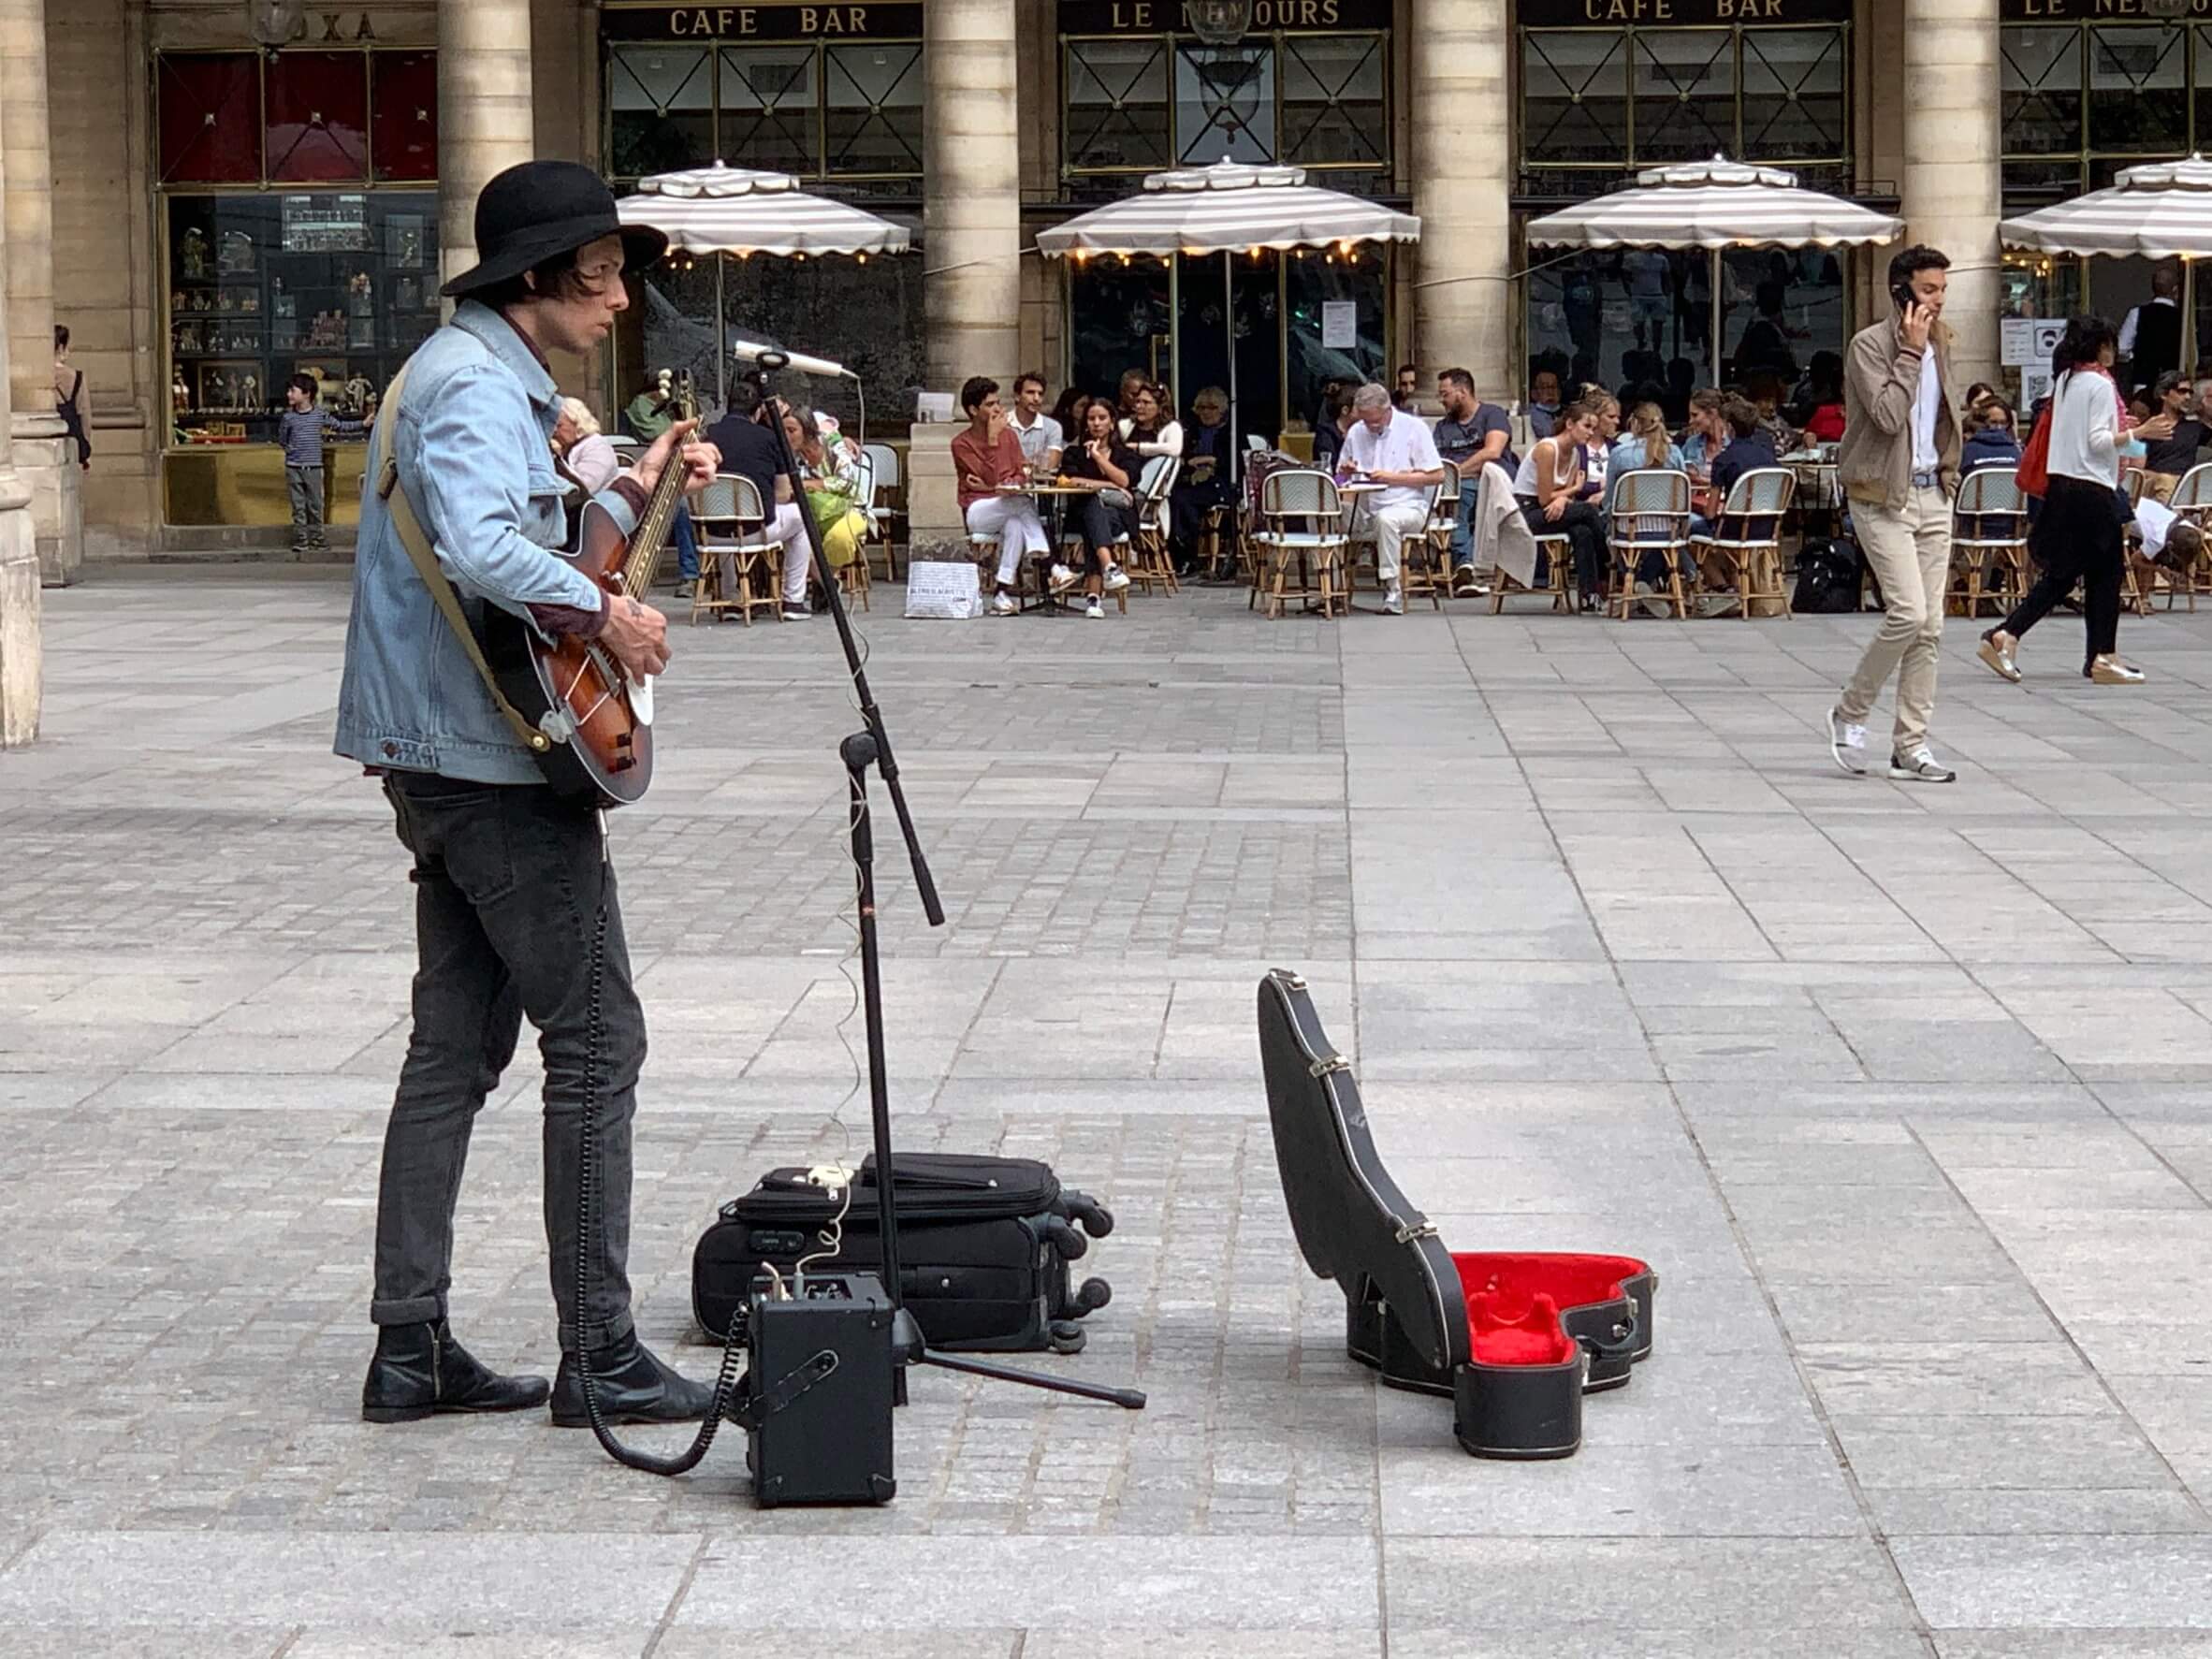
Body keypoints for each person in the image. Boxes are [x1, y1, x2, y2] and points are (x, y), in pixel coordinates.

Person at [334, 159, 720, 1429]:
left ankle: (410, 1347)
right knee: (601, 1040)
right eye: (602, 278)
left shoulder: (502, 383)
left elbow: (544, 524)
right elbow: (481, 546)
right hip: (494, 762)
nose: (618, 302)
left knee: (453, 1051)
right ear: (538, 280)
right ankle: (600, 1350)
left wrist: (642, 478)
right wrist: (612, 612)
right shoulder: (464, 385)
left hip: (454, 753)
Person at [1829, 243, 1961, 785]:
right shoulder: (1870, 346)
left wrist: (1951, 469)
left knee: (1930, 628)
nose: (1938, 301)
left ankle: (1911, 744)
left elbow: (1944, 415)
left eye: (1942, 290)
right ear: (1902, 291)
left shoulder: (1944, 344)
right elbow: (1886, 416)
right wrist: (1909, 352)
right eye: (1929, 289)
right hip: (1883, 494)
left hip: (1934, 492)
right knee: (1907, 612)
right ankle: (1850, 710)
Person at [1978, 315, 2144, 688]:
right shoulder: (2099, 385)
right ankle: (2010, 634)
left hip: (2063, 486)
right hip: (2091, 487)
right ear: (2100, 346)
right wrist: (2139, 433)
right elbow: (2098, 440)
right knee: (2090, 573)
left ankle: (2100, 655)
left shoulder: (2067, 381)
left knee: (2084, 572)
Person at [1335, 381, 1447, 615]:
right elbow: (1340, 479)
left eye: (1374, 420)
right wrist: (1345, 471)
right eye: (1364, 420)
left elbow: (1437, 476)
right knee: (1325, 515)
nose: (1369, 426)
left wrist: (1392, 478)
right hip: (1365, 508)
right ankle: (1332, 586)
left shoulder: (1414, 428)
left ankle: (1392, 588)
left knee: (1387, 520)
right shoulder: (1357, 431)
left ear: (1388, 411)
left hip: (1408, 507)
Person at [704, 380, 809, 618]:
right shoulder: (769, 438)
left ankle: (732, 599)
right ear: (759, 410)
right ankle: (793, 600)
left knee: (724, 516)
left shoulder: (706, 436)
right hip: (757, 529)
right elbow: (783, 495)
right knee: (802, 518)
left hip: (711, 533)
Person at [954, 374, 1050, 617]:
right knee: (1022, 501)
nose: (997, 409)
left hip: (1007, 504)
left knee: (1016, 524)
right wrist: (993, 440)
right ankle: (1049, 563)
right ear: (973, 410)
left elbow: (1020, 473)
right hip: (978, 509)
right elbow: (989, 478)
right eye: (989, 404)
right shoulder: (961, 443)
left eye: (997, 402)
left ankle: (1001, 592)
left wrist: (1009, 483)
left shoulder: (1010, 435)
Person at [1514, 400, 1607, 606]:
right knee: (1589, 510)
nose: (1591, 433)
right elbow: (1545, 498)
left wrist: (1565, 498)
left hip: (1554, 508)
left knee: (1583, 530)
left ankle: (1589, 594)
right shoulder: (1548, 449)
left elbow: (1561, 496)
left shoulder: (1574, 453)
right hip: (1529, 511)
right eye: (1587, 426)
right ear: (1570, 424)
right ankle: (1608, 566)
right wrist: (1573, 490)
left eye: (1594, 428)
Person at [1433, 367, 1514, 592]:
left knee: (1455, 499)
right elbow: (1435, 460)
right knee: (1449, 498)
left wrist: (1457, 472)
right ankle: (1468, 569)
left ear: (1462, 392)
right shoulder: (1442, 427)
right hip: (1456, 483)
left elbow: (1492, 451)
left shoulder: (1493, 414)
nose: (1442, 400)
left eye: (1445, 393)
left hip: (1491, 479)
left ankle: (1467, 565)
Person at [1059, 397, 1139, 618]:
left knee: (1094, 517)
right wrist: (1107, 485)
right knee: (1091, 505)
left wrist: (1097, 457)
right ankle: (1109, 568)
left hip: (1117, 517)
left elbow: (1125, 480)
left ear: (1112, 422)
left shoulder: (1126, 454)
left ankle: (1094, 598)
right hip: (1082, 514)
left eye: (1102, 418)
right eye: (1091, 419)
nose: (1096, 423)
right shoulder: (1073, 453)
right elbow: (1068, 480)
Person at [1608, 401, 1695, 604]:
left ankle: (1638, 585)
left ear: (1635, 425)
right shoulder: (1675, 453)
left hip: (1629, 526)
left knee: (1608, 534)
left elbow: (1611, 500)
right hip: (1667, 527)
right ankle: (1651, 584)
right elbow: (1683, 498)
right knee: (1669, 540)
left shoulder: (1620, 454)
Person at [276, 373, 364, 554]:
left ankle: (317, 538)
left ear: (307, 393)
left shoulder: (319, 415)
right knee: (298, 506)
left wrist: (363, 423)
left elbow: (340, 426)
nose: (289, 394)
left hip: (314, 468)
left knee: (315, 504)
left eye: (293, 391)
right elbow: (282, 439)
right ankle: (301, 540)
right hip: (294, 467)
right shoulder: (288, 418)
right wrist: (290, 450)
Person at [783, 400, 871, 580]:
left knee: (840, 538)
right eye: (784, 431)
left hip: (850, 509)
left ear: (807, 431)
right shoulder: (789, 454)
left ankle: (825, 581)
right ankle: (826, 584)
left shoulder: (832, 443)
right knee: (795, 539)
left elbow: (846, 482)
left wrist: (809, 485)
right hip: (812, 513)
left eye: (792, 431)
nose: (786, 436)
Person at [1171, 386, 1236, 575]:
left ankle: (1190, 550)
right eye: (1202, 408)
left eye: (1212, 408)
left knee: (1183, 499)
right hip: (1192, 480)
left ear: (1222, 409)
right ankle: (1183, 549)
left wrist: (1210, 460)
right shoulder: (1190, 431)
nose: (1206, 413)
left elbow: (1237, 463)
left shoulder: (1230, 432)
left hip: (1222, 484)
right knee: (1175, 497)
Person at [2131, 371, 2207, 502]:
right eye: (2181, 391)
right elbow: (2135, 470)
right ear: (2164, 394)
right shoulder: (2147, 427)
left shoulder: (2196, 427)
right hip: (2154, 488)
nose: (2188, 397)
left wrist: (2203, 406)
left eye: (2190, 392)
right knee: (2165, 481)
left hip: (2185, 486)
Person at [2119, 265, 2183, 395]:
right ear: (2175, 290)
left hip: (2142, 381)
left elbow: (2122, 348)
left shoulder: (2137, 313)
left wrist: (2138, 355)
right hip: (2175, 384)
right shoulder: (2183, 318)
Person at [552, 398, 621, 493]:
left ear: (577, 423)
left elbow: (584, 487)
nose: (554, 431)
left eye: (559, 426)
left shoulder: (597, 447)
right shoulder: (566, 446)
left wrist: (557, 459)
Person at [1008, 371, 1063, 476]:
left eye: (1040, 394)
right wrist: (1037, 459)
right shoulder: (1003, 423)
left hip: (1039, 488)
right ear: (1017, 396)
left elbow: (1050, 465)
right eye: (1030, 392)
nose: (1036, 398)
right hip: (1009, 488)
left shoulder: (1053, 427)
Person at [53, 325, 89, 472]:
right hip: (72, 446)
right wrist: (86, 452)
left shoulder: (40, 378)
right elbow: (85, 415)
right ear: (61, 348)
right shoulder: (77, 377)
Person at [1120, 383, 1183, 461]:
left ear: (1160, 406)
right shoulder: (1126, 425)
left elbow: (1174, 449)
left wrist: (1139, 447)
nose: (1139, 406)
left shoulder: (1171, 427)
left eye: (1146, 402)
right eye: (1138, 401)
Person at [622, 370, 676, 442]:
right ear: (657, 393)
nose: (665, 401)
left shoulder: (656, 407)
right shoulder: (641, 405)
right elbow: (656, 432)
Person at [1313, 387, 1356, 472]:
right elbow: (1329, 464)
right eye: (1358, 408)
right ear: (1345, 410)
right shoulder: (1326, 433)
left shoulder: (1362, 430)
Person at [1528, 369, 1563, 441]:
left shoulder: (1568, 411)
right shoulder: (1530, 413)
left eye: (1553, 387)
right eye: (1544, 388)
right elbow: (1546, 432)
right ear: (1534, 393)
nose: (1550, 392)